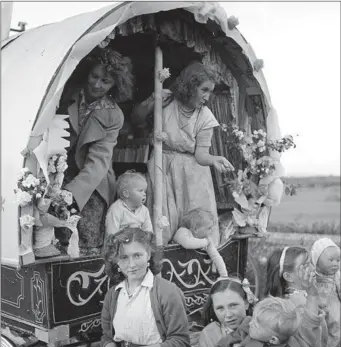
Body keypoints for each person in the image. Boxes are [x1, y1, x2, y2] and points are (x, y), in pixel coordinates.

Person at [131, 62, 234, 246]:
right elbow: (136, 118)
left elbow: (201, 154)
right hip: (162, 165)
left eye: (210, 92)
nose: (207, 97)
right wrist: (152, 100)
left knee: (194, 222)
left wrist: (213, 159)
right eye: (204, 90)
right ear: (190, 85)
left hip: (192, 175)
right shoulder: (167, 101)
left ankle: (199, 257)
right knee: (162, 217)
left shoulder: (205, 116)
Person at [55, 48, 134, 255]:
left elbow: (98, 163)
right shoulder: (64, 94)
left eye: (105, 81)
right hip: (57, 170)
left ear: (115, 84)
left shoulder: (114, 115)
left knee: (85, 234)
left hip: (92, 180)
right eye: (94, 76)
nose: (97, 85)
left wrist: (70, 196)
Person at [98, 228, 191, 347]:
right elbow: (107, 337)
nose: (132, 264)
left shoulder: (167, 292)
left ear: (149, 255)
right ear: (116, 262)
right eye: (124, 258)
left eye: (137, 255)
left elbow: (181, 346)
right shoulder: (113, 295)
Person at [264, 246, 329, 347]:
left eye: (310, 262)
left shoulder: (300, 297)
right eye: (305, 265)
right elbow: (311, 336)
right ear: (288, 276)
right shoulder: (296, 304)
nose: (312, 267)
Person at [197, 277, 257, 347]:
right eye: (220, 308)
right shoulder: (209, 334)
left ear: (246, 303)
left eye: (233, 305)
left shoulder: (263, 326)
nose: (228, 315)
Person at [311, 238, 340, 347]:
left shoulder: (337, 276)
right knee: (320, 336)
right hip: (317, 310)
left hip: (333, 309)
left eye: (338, 260)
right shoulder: (311, 274)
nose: (335, 264)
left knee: (335, 330)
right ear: (316, 259)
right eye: (331, 260)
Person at [173, 209, 228, 277]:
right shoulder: (182, 232)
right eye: (209, 228)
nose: (211, 231)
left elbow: (216, 257)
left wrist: (224, 275)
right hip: (176, 270)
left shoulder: (205, 239)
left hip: (191, 274)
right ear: (196, 229)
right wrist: (206, 242)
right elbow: (187, 243)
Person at [105, 171, 153, 236]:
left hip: (138, 244)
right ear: (126, 194)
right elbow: (111, 233)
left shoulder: (144, 210)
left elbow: (148, 231)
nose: (144, 194)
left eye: (144, 191)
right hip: (121, 244)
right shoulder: (116, 209)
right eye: (140, 191)